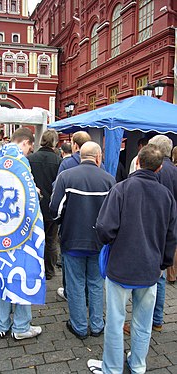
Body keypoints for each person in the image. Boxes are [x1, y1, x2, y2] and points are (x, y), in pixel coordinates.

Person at [87, 144, 177, 374]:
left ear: (137, 163)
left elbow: (105, 227)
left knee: (116, 322)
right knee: (143, 322)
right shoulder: (166, 196)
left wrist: (112, 243)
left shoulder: (122, 189)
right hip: (150, 269)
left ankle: (113, 368)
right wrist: (163, 264)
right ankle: (137, 365)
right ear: (158, 169)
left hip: (121, 267)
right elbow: (171, 236)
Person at [50, 142, 116, 340]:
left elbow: (55, 209)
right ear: (98, 158)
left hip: (72, 240)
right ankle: (97, 325)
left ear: (79, 156)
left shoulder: (66, 177)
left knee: (76, 284)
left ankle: (79, 327)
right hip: (99, 243)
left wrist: (64, 223)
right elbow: (114, 214)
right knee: (96, 284)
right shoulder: (109, 180)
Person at [0, 127, 45, 340]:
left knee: (2, 274)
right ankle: (21, 327)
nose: (30, 151)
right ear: (26, 143)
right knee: (21, 273)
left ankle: (2, 324)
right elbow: (26, 199)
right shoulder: (20, 161)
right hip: (20, 233)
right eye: (30, 147)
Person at [56, 131, 91, 300]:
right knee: (93, 277)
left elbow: (58, 194)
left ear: (75, 145)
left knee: (71, 269)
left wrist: (58, 219)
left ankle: (69, 292)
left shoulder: (67, 164)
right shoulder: (101, 165)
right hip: (94, 225)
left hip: (71, 222)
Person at [148, 135, 177, 324]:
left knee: (154, 275)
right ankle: (158, 318)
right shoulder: (174, 170)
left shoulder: (156, 170)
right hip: (170, 225)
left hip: (154, 225)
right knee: (161, 273)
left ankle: (151, 318)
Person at [28, 129, 61, 280]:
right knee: (51, 240)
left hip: (34, 206)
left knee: (34, 238)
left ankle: (35, 268)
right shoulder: (58, 161)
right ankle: (49, 271)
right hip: (51, 207)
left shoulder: (30, 158)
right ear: (54, 143)